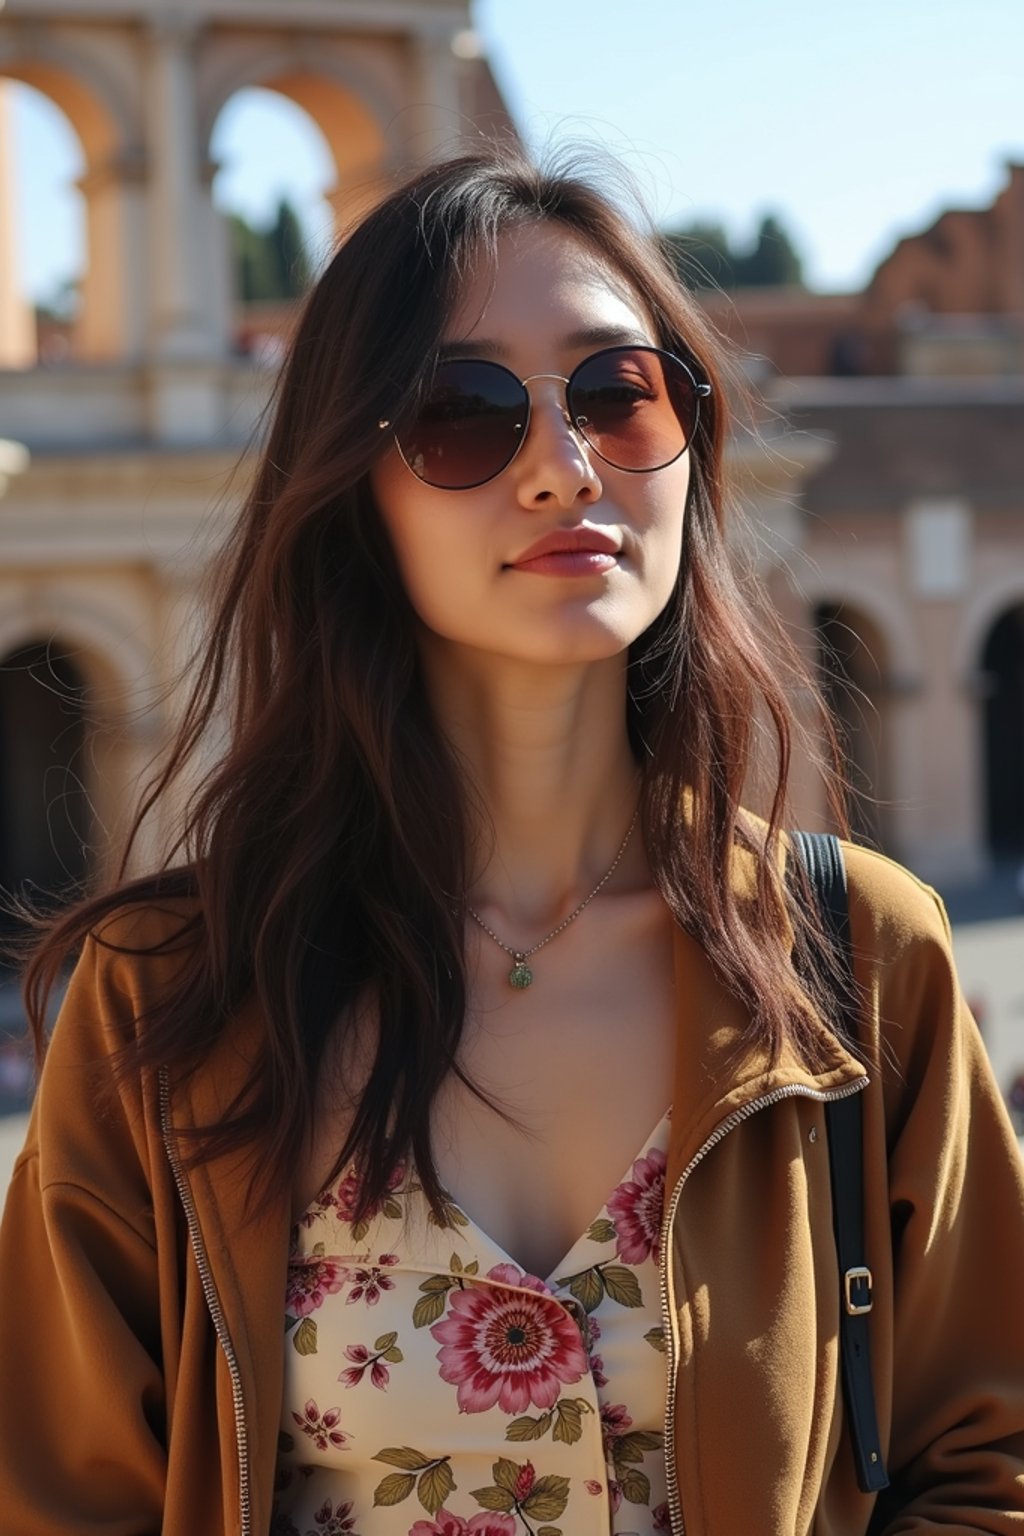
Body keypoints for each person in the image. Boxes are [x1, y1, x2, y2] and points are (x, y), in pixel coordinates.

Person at [1, 150, 1023, 1536]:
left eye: (617, 393)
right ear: (357, 488)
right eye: (462, 414)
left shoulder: (858, 951)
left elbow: (990, 1461)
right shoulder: (166, 996)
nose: (562, 465)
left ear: (693, 445)